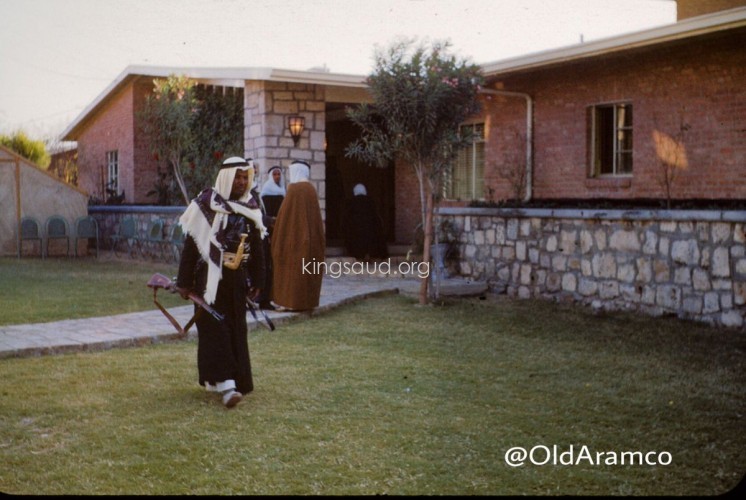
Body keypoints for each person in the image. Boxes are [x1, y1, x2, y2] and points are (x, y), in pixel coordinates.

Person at [174, 156, 267, 408]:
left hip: (236, 280)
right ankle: (227, 386)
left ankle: (234, 381)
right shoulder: (204, 205)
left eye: (245, 177)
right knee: (215, 330)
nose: (242, 182)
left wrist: (259, 279)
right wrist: (184, 281)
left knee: (236, 328)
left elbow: (257, 248)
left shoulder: (250, 207)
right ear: (226, 178)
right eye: (237, 177)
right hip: (208, 282)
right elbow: (191, 246)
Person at [271, 160, 325, 312]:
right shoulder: (311, 190)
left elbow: (285, 216)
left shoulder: (294, 189)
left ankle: (290, 302)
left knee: (292, 270)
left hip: (294, 238)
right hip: (309, 239)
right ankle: (306, 302)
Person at [343, 183, 389, 261]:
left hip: (356, 234)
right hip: (371, 233)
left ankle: (360, 255)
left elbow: (346, 220)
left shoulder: (351, 203)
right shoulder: (371, 202)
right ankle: (370, 255)